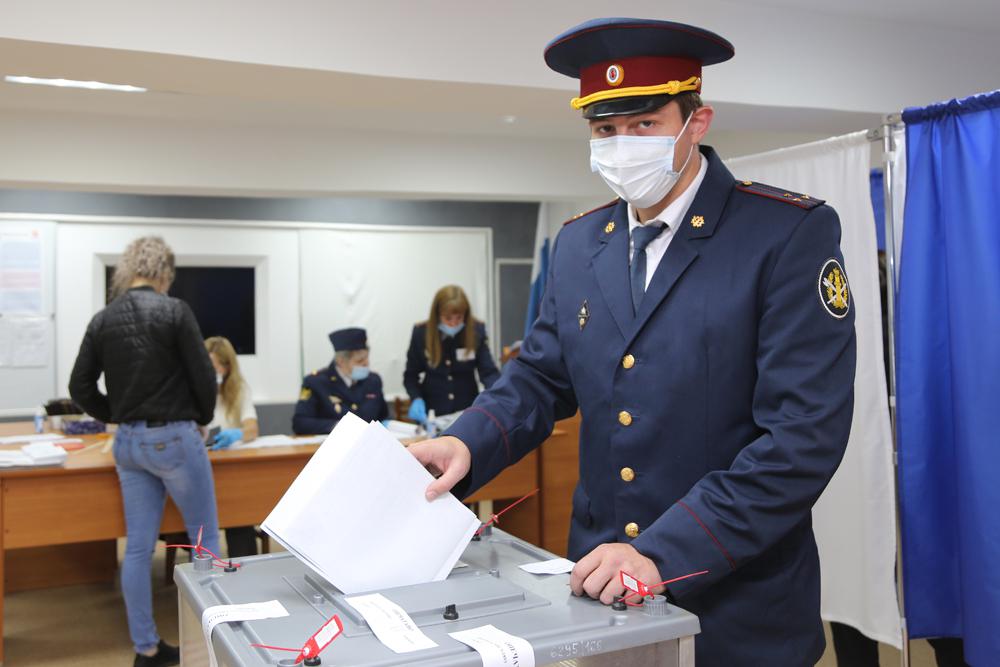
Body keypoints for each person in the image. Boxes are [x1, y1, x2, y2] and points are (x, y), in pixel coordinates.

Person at [409, 18, 856, 667]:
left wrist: (664, 551)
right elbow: (539, 377)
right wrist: (467, 441)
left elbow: (802, 437)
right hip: (603, 596)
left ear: (696, 122)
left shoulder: (782, 235)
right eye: (605, 130)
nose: (622, 146)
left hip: (736, 606)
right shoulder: (578, 245)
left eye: (644, 124)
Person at [69, 236, 218, 667]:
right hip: (174, 437)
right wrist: (201, 417)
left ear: (127, 270)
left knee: (137, 548)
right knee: (205, 541)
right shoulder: (175, 311)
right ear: (164, 273)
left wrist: (116, 415)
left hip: (128, 445)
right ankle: (213, 644)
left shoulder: (103, 319)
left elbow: (79, 387)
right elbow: (203, 377)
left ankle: (146, 649)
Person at [404, 285, 500, 423]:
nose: (454, 323)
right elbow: (411, 375)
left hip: (467, 411)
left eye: (459, 318)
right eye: (448, 318)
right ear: (437, 315)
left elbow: (489, 372)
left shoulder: (476, 331)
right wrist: (416, 398)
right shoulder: (421, 333)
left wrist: (496, 396)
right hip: (432, 412)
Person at [204, 335, 260, 558]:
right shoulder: (190, 389)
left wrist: (238, 434)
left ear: (227, 367)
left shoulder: (239, 389)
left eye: (216, 366)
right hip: (201, 466)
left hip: (230, 469)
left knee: (240, 517)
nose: (212, 371)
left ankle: (244, 569)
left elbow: (252, 428)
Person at [292, 327, 388, 434]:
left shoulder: (373, 381)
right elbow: (300, 423)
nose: (366, 364)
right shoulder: (315, 382)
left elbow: (384, 417)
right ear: (341, 361)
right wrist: (338, 426)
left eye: (367, 358)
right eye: (360, 360)